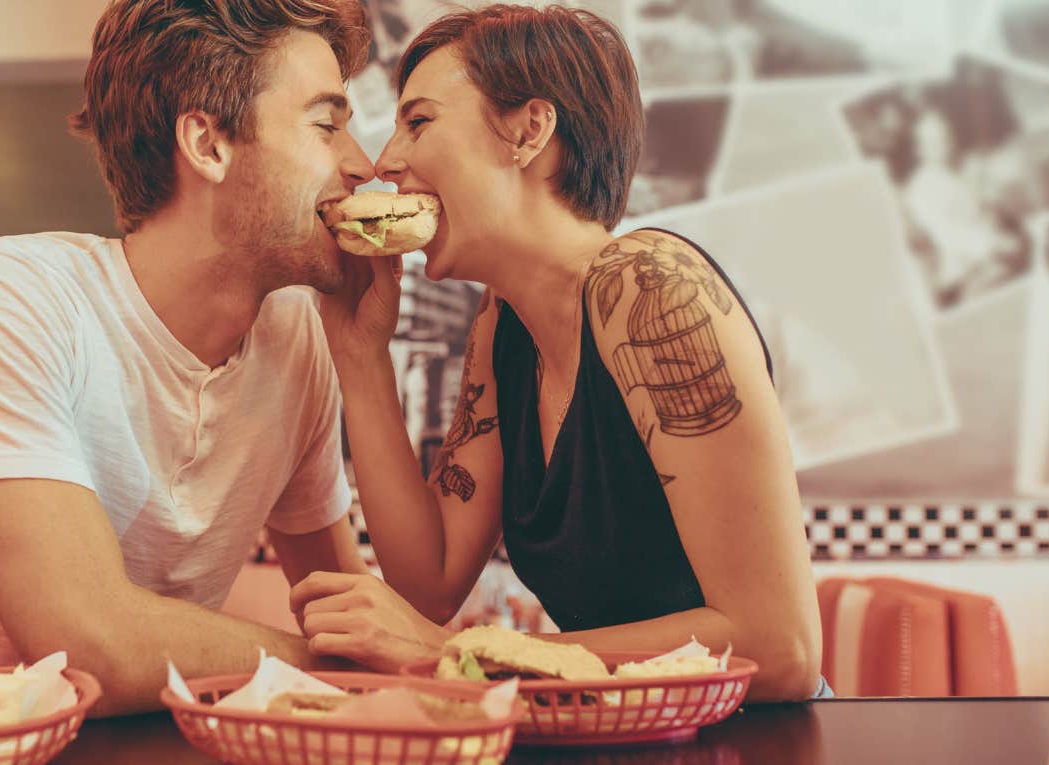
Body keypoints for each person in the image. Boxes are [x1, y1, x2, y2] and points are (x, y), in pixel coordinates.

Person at [0, 0, 376, 716]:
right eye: (327, 124)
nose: (363, 165)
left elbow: (351, 612)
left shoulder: (295, 341)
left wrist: (381, 655)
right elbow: (89, 643)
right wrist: (334, 667)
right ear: (208, 143)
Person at [294, 4, 823, 701]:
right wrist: (360, 359)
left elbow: (778, 646)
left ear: (529, 131)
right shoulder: (502, 322)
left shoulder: (652, 286)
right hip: (618, 736)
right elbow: (432, 582)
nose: (387, 162)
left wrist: (463, 652)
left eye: (418, 121)